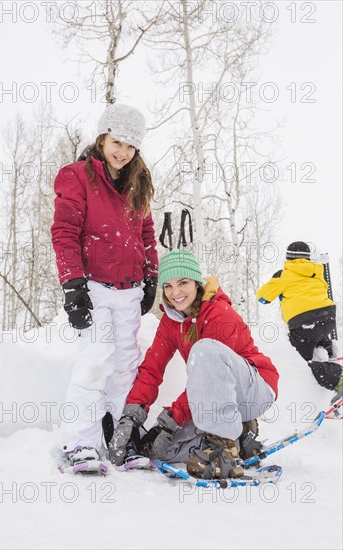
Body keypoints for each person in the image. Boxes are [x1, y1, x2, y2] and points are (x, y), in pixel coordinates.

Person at [51, 103, 159, 470]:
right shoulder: (77, 176)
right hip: (93, 285)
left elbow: (146, 234)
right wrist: (72, 285)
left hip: (129, 287)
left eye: (131, 146)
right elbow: (64, 233)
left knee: (125, 364)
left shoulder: (137, 181)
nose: (122, 151)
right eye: (117, 141)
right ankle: (78, 442)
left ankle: (120, 440)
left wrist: (151, 276)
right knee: (96, 360)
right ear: (102, 136)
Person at [108, 250, 279, 480]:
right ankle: (241, 437)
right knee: (161, 451)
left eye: (183, 282)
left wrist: (171, 420)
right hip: (215, 399)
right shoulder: (171, 321)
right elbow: (152, 368)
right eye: (167, 286)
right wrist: (132, 415)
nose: (175, 292)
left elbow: (208, 376)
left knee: (205, 349)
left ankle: (225, 451)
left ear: (196, 283)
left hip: (253, 390)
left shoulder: (219, 314)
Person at [257, 241, 342, 398]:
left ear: (288, 258)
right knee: (318, 335)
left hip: (303, 323)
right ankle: (329, 352)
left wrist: (277, 285)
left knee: (301, 362)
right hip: (328, 317)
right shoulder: (317, 272)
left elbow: (262, 298)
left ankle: (337, 380)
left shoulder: (283, 275)